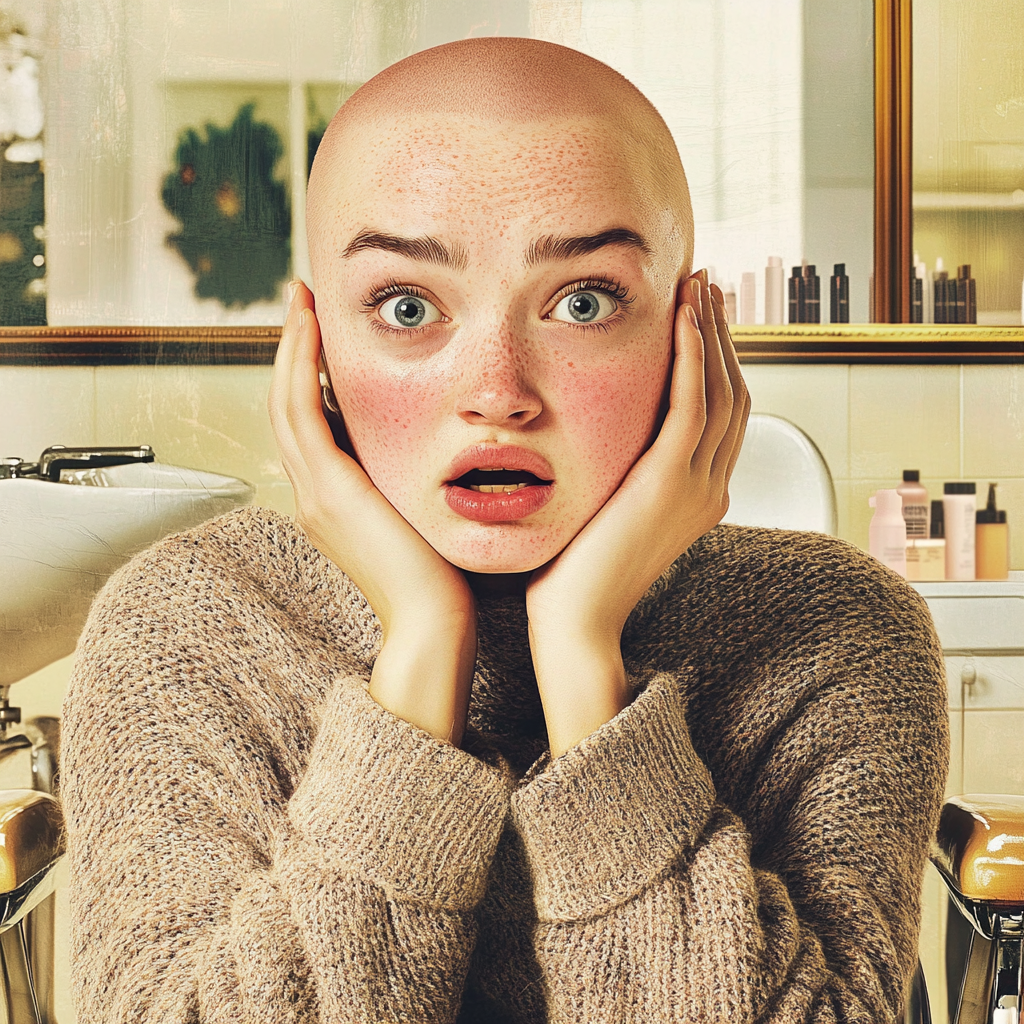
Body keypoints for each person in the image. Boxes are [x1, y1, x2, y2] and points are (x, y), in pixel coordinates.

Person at [61, 37, 948, 1023]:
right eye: (406, 306)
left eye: (582, 301)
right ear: (314, 347)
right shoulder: (184, 629)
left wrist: (582, 664)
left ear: (689, 330)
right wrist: (421, 652)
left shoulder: (837, 635)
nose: (497, 395)